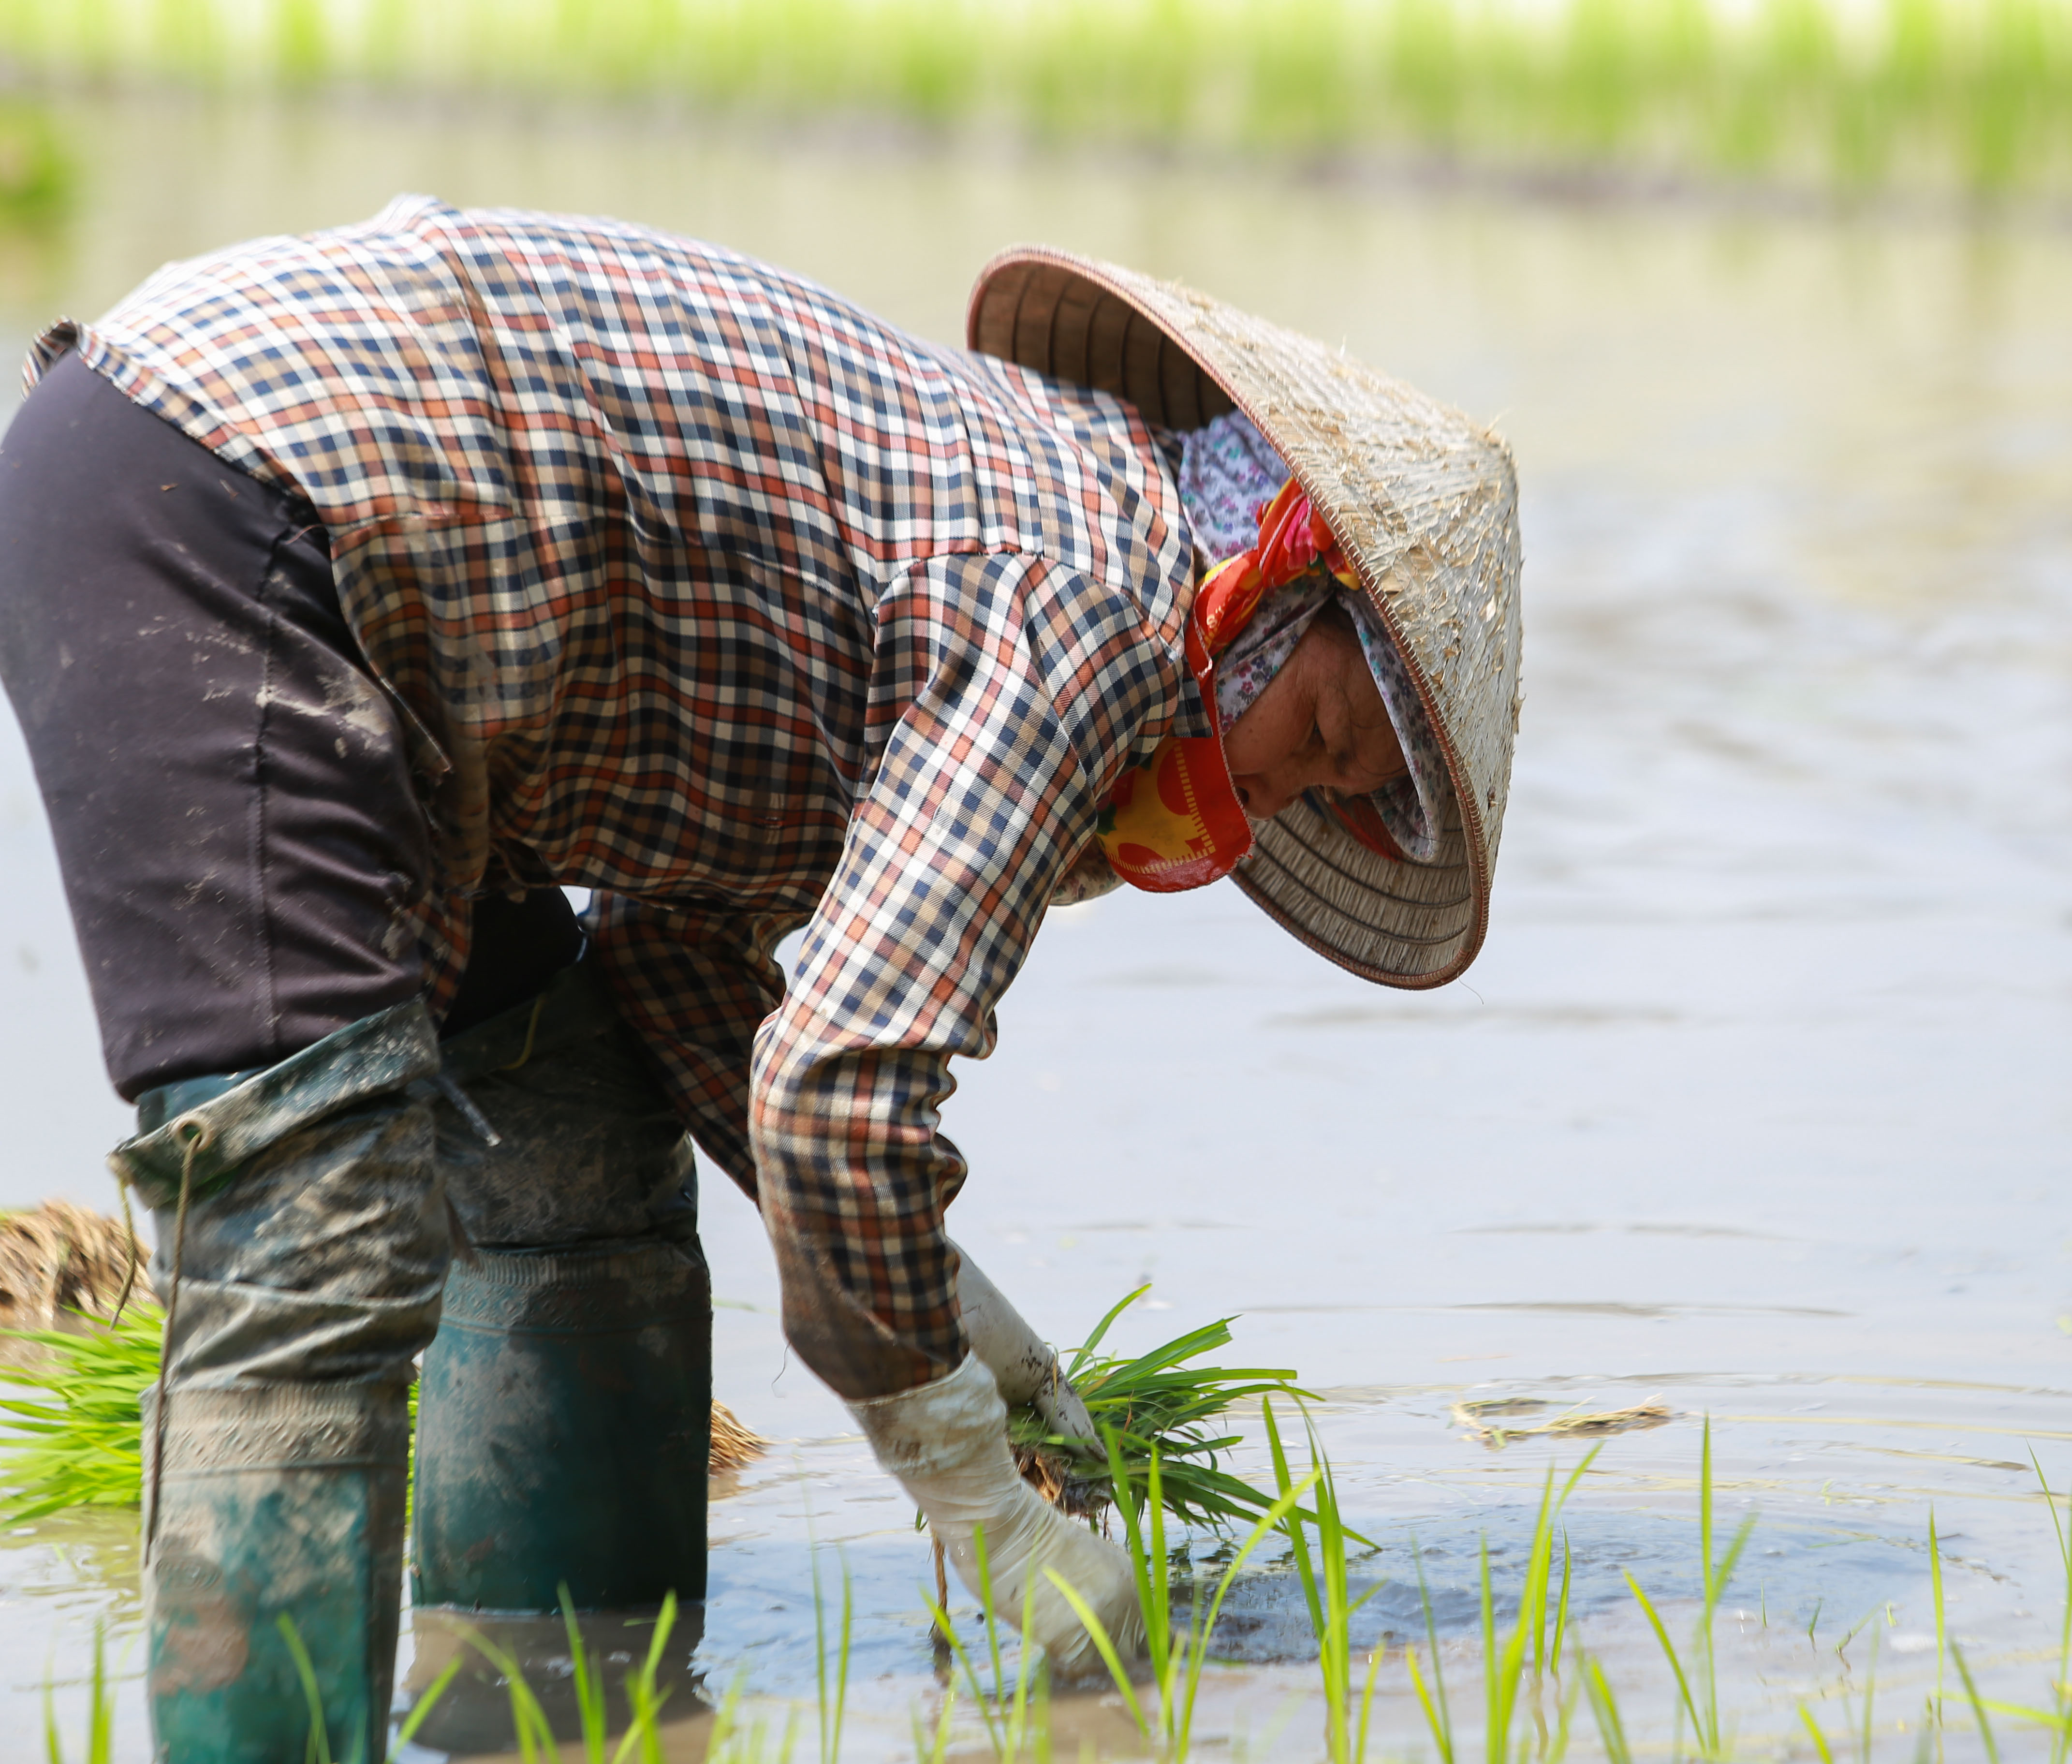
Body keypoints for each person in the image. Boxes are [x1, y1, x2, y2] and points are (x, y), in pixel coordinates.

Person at [0, 198, 1521, 1761]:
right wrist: (975, 1495)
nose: (1275, 792)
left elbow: (685, 967)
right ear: (1265, 580)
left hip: (394, 645)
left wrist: (971, 1329)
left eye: (1318, 801)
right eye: (1323, 737)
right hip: (226, 505)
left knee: (575, 1130)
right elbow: (845, 1089)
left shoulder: (1046, 542)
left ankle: (553, 1711)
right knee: (313, 1223)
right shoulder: (1091, 601)